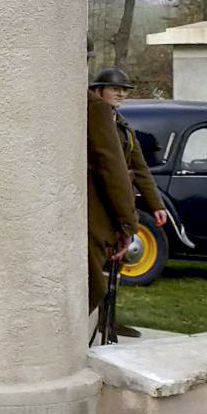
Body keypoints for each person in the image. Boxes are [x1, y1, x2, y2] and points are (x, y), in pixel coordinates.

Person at [86, 67, 166, 340]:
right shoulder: (96, 116)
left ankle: (109, 322)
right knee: (96, 271)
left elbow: (139, 167)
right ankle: (92, 322)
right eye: (114, 89)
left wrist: (157, 205)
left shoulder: (122, 125)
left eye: (124, 90)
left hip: (117, 203)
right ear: (98, 91)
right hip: (99, 202)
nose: (120, 93)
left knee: (113, 269)